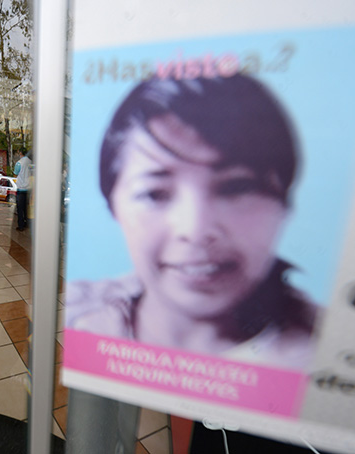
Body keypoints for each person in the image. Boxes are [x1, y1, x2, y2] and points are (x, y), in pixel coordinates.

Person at [66, 74, 321, 369]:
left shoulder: (330, 356)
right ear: (113, 205)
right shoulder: (74, 316)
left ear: (284, 203)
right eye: (155, 193)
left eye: (237, 187)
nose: (196, 230)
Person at [14, 148, 32, 231]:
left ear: (20, 153)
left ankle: (21, 225)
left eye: (18, 152)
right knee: (26, 208)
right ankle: (27, 223)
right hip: (28, 189)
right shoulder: (30, 162)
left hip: (21, 189)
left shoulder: (19, 163)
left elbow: (15, 174)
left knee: (20, 209)